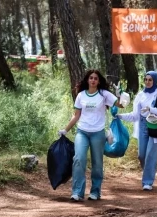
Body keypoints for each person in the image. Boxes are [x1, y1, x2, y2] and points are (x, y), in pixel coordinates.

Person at [58, 69, 125, 202]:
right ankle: (77, 192)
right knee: (78, 159)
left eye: (95, 78)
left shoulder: (104, 94)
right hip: (82, 131)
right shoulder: (81, 95)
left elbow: (120, 105)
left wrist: (120, 95)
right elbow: (76, 115)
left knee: (97, 163)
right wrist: (65, 130)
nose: (93, 80)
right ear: (87, 80)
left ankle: (95, 192)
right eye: (91, 78)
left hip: (98, 133)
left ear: (99, 81)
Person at [117, 71, 157, 191]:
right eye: (146, 79)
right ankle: (148, 172)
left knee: (150, 154)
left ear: (155, 80)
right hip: (142, 126)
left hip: (155, 126)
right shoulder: (140, 95)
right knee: (141, 155)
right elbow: (135, 115)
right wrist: (120, 116)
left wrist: (151, 109)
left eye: (150, 80)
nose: (148, 82)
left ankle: (147, 181)